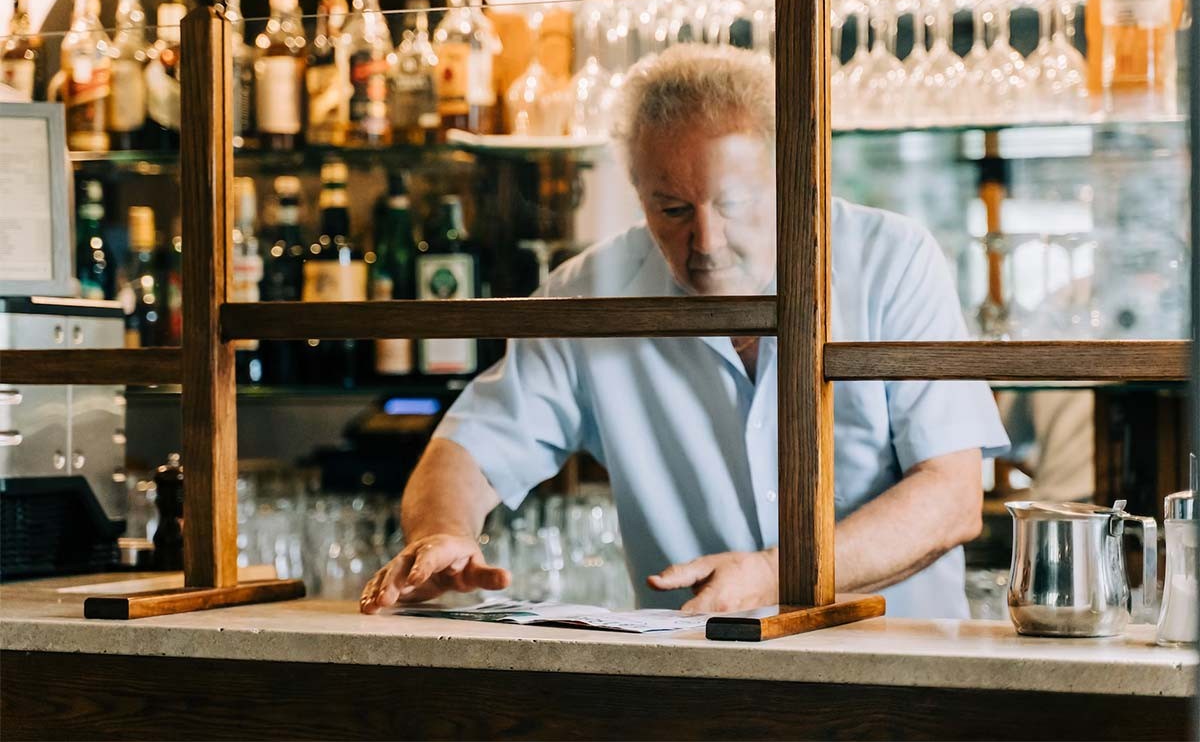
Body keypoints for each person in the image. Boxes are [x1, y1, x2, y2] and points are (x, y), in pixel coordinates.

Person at [360, 44, 1009, 618]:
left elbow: (951, 495)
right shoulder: (590, 292)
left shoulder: (890, 259)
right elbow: (470, 448)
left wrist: (773, 575)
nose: (706, 241)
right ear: (638, 191)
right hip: (696, 675)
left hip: (894, 667)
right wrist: (441, 533)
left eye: (733, 203)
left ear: (791, 176)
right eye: (671, 210)